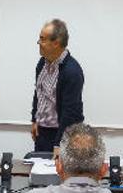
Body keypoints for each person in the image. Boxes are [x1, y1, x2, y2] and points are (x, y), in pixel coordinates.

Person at [31, 19, 84, 152]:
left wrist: (59, 144)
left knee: (60, 172)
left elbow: (70, 112)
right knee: (39, 170)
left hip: (64, 134)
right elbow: (38, 92)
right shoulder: (42, 63)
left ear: (56, 43)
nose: (38, 43)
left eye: (42, 39)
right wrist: (35, 119)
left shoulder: (72, 71)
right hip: (42, 132)